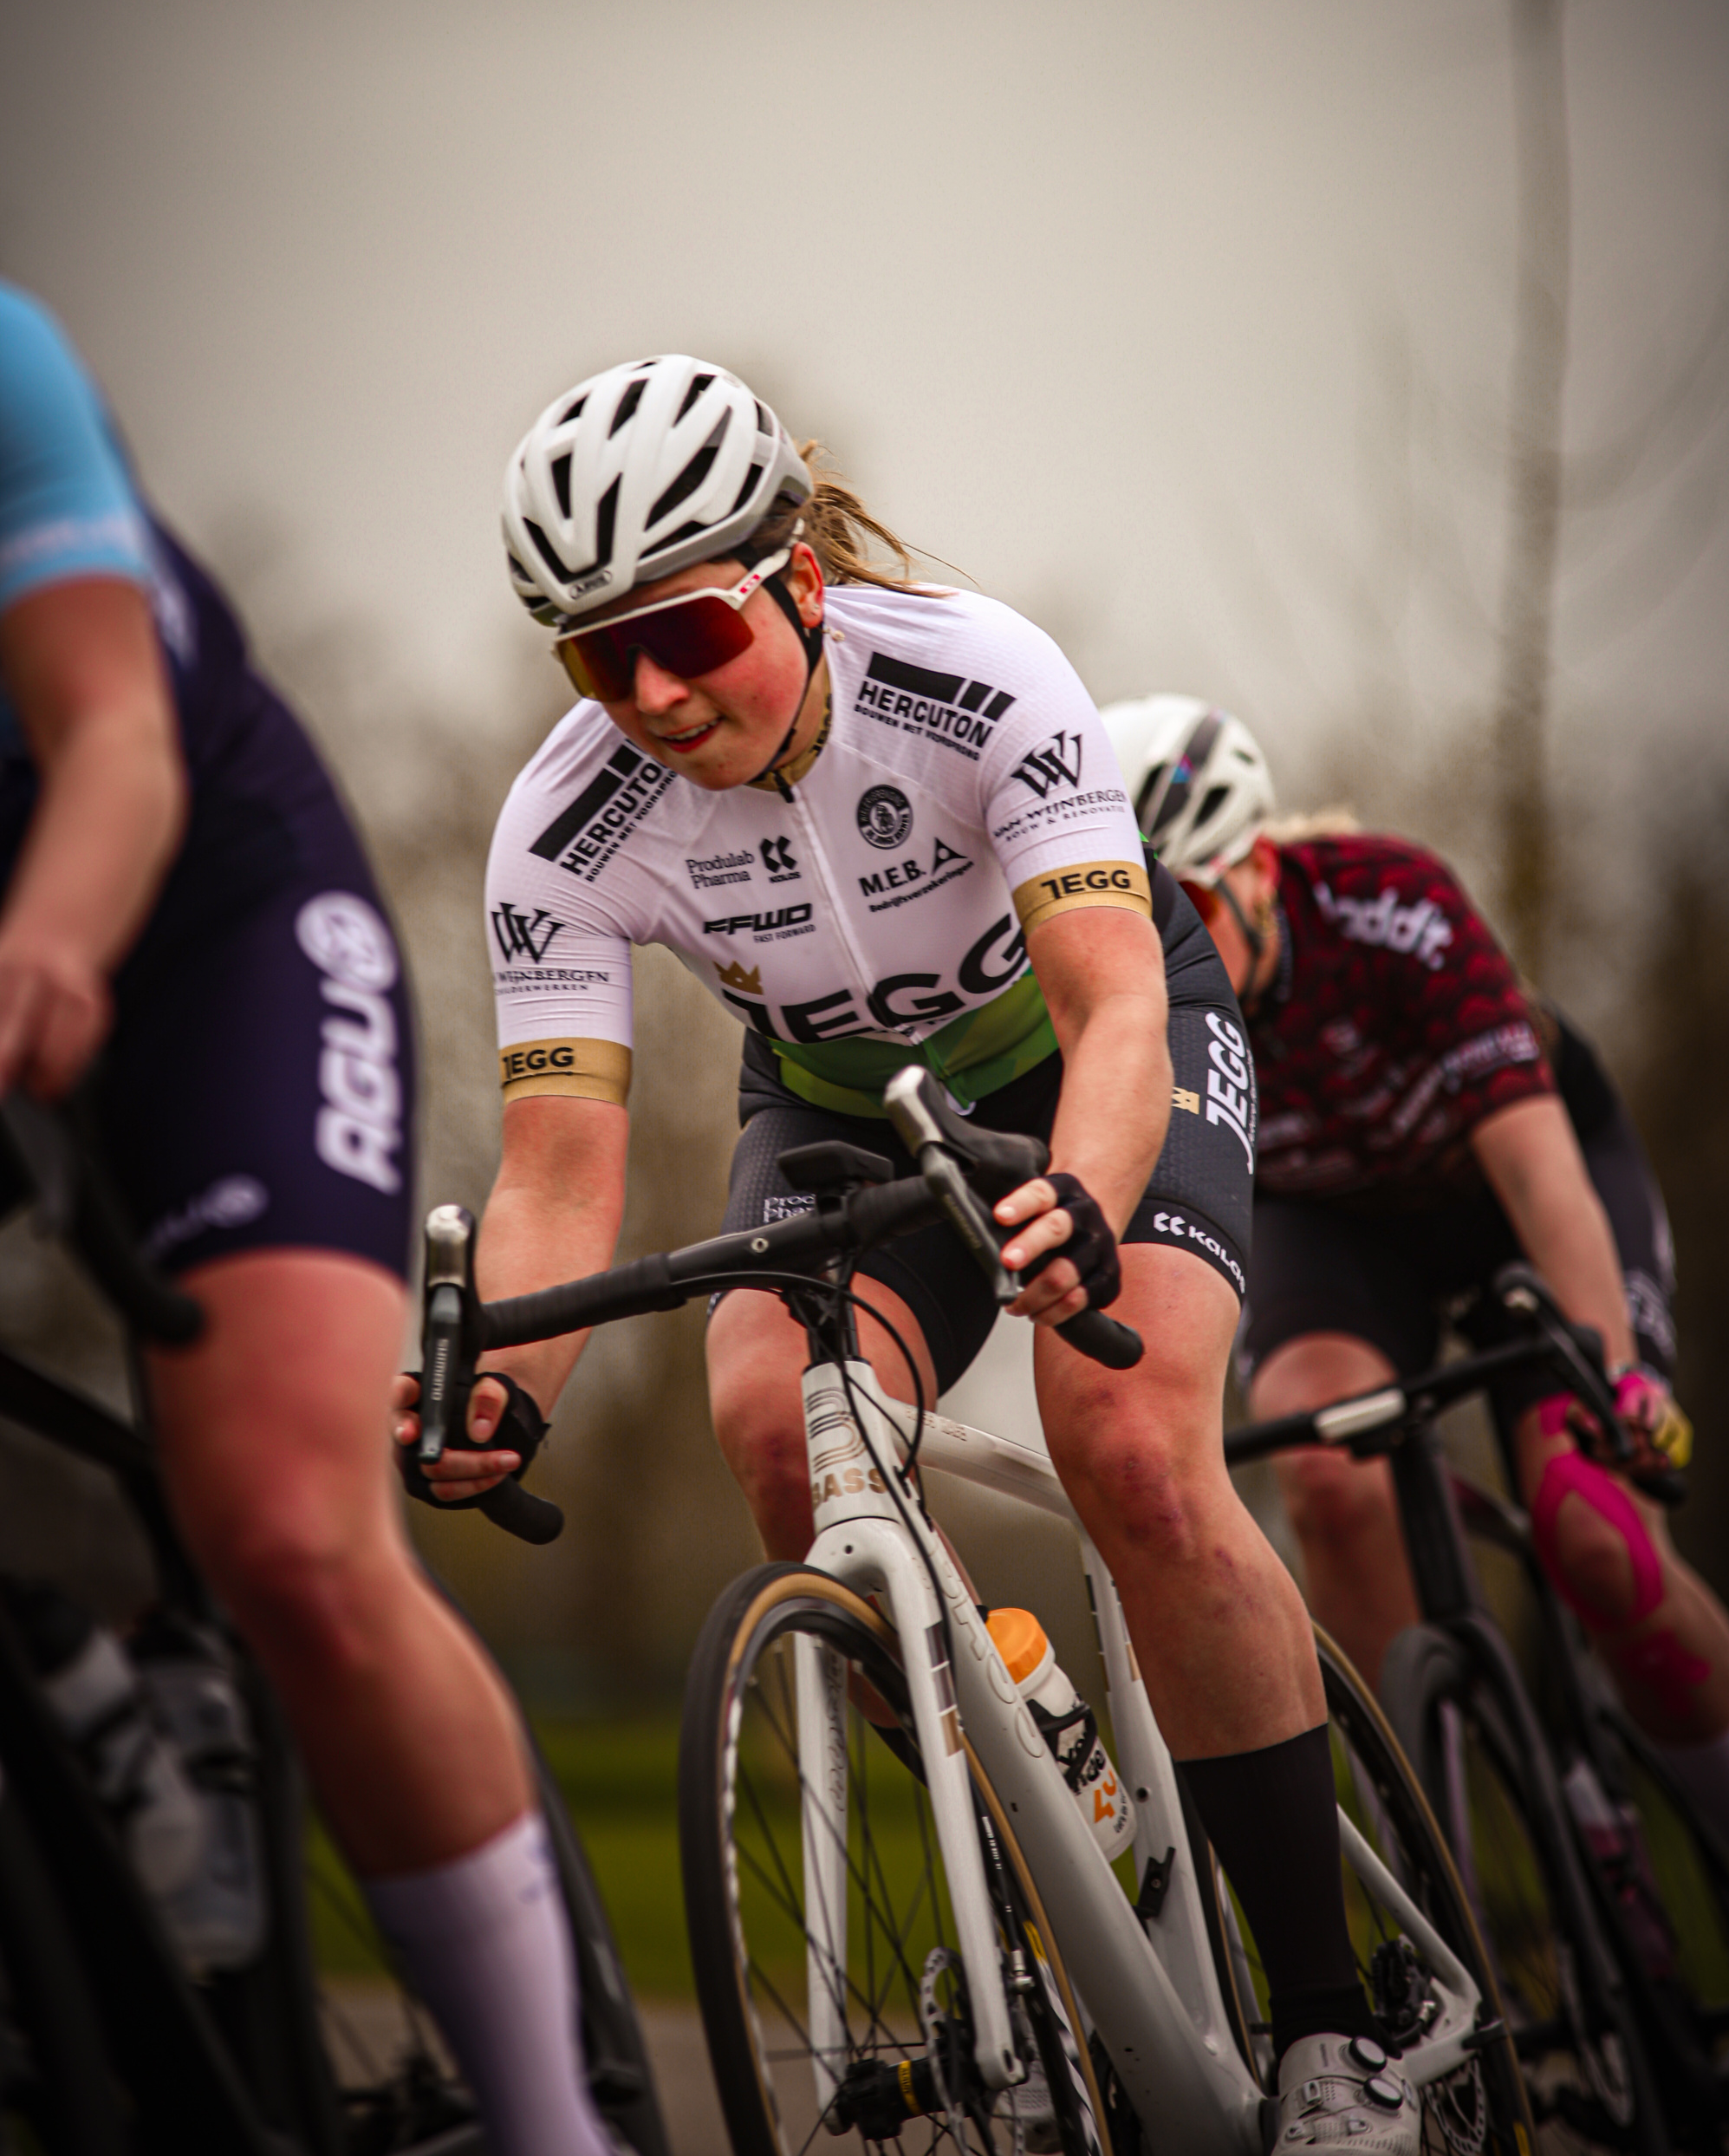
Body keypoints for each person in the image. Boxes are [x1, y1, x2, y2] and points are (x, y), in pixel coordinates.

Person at [409, 353, 1426, 2151]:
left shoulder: (974, 679)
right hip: (837, 1104)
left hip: (1096, 1045)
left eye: (688, 631)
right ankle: (1024, 1804)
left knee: (1128, 1445)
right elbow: (561, 1175)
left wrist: (1092, 1196)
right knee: (764, 1423)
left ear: (794, 578)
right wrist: (503, 1378)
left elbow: (1113, 1004)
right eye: (593, 653)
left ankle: (1334, 2026)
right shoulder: (560, 831)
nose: (647, 692)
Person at [0, 280, 612, 2156]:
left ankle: (551, 2127)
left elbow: (116, 744)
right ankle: (81, 1684)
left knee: (286, 1529)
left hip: (197, 915)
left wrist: (35, 956)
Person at [1099, 693, 1729, 1852]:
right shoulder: (1149, 1013)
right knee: (1329, 1473)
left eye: (1183, 911)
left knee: (1595, 1533)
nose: (1165, 955)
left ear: (1250, 868)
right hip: (1339, 1228)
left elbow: (1542, 1173)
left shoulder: (1387, 906)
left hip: (1505, 1195)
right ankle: (1434, 1867)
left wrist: (1622, 1376)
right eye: (1139, 926)